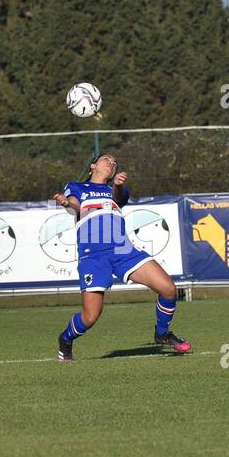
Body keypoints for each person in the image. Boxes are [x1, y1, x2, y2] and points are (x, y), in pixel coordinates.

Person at [52, 152, 190, 361]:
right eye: (106, 159)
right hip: (93, 255)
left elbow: (118, 198)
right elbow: (76, 205)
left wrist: (116, 185)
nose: (112, 163)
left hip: (122, 249)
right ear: (93, 165)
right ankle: (65, 339)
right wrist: (65, 202)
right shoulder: (78, 187)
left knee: (168, 288)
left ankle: (162, 333)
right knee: (90, 316)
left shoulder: (115, 190)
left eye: (115, 162)